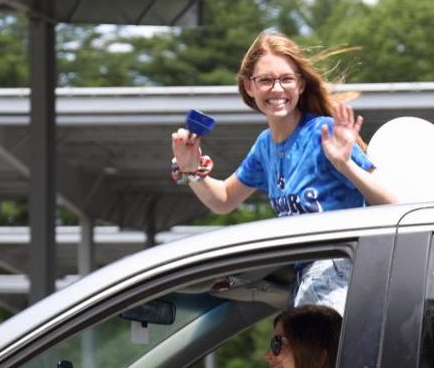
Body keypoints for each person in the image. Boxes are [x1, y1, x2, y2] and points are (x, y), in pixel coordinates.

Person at [170, 31, 397, 312]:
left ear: (300, 85)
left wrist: (344, 164)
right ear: (249, 87)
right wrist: (192, 170)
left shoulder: (323, 132)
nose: (277, 89)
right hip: (304, 281)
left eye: (286, 79)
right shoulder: (265, 145)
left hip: (344, 274)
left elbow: (392, 204)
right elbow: (224, 199)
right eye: (265, 80)